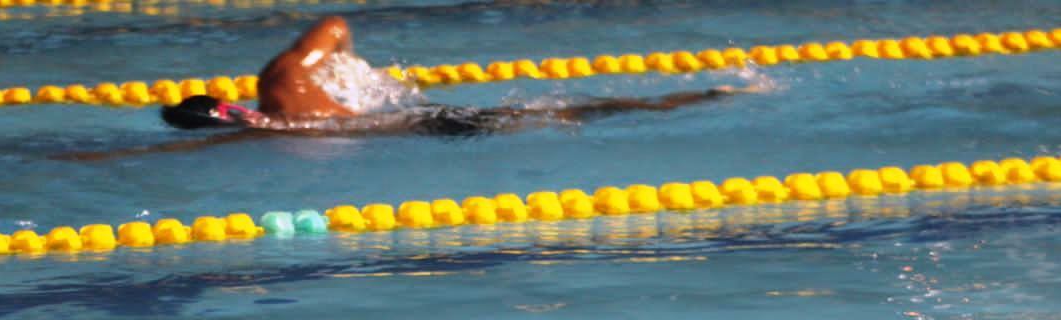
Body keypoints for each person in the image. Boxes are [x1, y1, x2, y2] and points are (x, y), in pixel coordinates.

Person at [157, 15, 747, 139]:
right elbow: (334, 23)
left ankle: (696, 97)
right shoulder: (283, 79)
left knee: (567, 114)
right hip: (417, 120)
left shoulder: (271, 123)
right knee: (568, 110)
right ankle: (694, 95)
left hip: (425, 126)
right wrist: (356, 71)